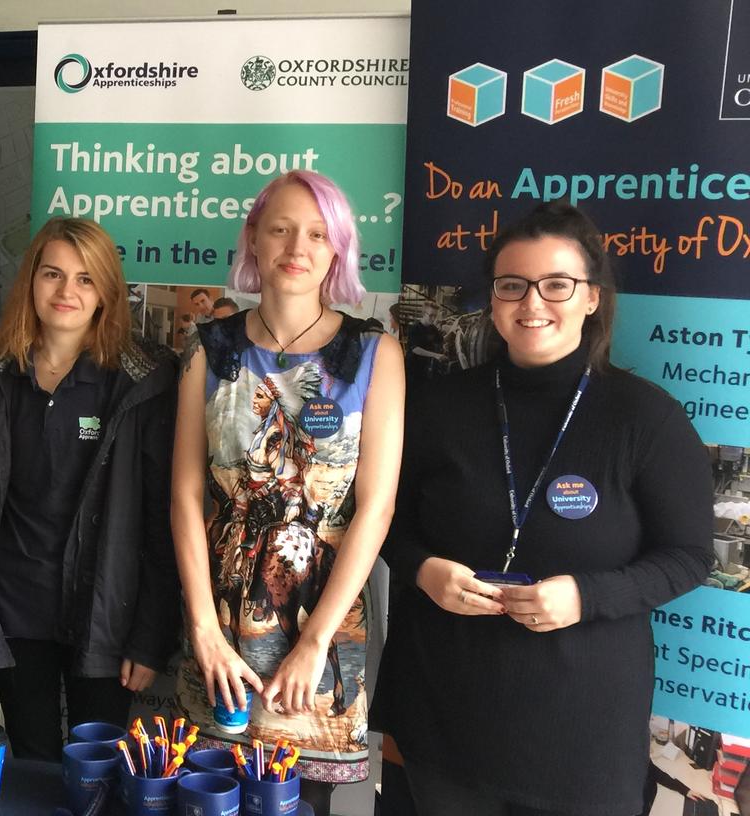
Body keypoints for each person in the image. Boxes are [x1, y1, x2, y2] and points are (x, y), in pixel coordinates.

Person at [371, 201, 713, 816]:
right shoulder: (437, 406)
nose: (532, 304)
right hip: (443, 718)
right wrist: (422, 569)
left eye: (557, 284)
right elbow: (384, 520)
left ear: (592, 297)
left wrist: (587, 596)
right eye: (512, 286)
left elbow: (689, 557)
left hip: (581, 734)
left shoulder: (645, 417)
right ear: (493, 300)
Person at [170, 170, 404, 814]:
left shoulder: (374, 354)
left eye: (317, 234)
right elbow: (187, 496)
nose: (297, 247)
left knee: (299, 803)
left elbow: (375, 509)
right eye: (280, 229)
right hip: (218, 618)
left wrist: (314, 641)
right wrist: (202, 630)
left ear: (337, 250)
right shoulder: (208, 350)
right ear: (254, 239)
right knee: (210, 797)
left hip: (323, 621)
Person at [0, 216, 180, 761]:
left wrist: (150, 638)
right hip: (15, 609)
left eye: (85, 279)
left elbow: (160, 520)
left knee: (96, 766)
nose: (66, 291)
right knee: (32, 759)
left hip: (106, 612)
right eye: (52, 274)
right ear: (30, 281)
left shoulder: (140, 383)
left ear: (106, 294)